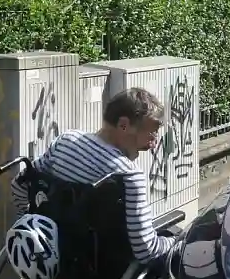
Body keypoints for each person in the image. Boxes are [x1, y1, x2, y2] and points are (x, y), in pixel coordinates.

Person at [10, 87, 175, 265]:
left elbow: (20, 184)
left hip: (52, 259)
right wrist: (176, 242)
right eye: (153, 132)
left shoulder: (65, 141)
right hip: (101, 271)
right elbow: (145, 250)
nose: (154, 142)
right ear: (123, 125)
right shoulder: (128, 175)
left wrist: (29, 221)